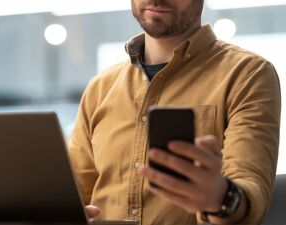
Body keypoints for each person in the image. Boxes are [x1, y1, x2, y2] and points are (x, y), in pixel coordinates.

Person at [68, 0, 281, 224]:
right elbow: (71, 195)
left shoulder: (248, 75)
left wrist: (221, 197)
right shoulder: (100, 87)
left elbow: (250, 188)